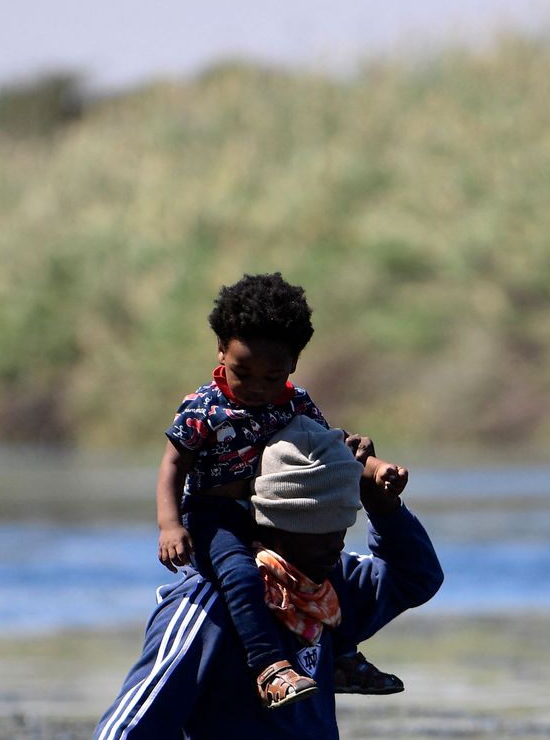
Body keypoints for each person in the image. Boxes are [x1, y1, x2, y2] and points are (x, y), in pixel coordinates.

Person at [55, 415, 443, 740]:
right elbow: (137, 718)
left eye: (340, 527)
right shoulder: (206, 609)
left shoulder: (323, 590)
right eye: (317, 531)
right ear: (272, 525)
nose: (335, 543)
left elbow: (415, 577)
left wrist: (383, 507)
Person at [158, 273, 408, 710]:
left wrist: (377, 469)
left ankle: (341, 657)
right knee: (240, 576)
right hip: (213, 516)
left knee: (319, 565)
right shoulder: (203, 408)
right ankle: (269, 668)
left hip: (265, 514)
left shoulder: (294, 402)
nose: (255, 386)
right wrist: (170, 526)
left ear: (293, 363)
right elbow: (172, 466)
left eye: (271, 376)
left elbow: (333, 446)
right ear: (221, 350)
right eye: (242, 372)